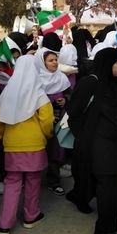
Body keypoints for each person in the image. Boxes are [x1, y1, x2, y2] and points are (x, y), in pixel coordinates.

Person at [66, 47, 117, 234]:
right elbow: (73, 113)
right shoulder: (89, 83)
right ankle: (106, 229)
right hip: (97, 144)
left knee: (107, 183)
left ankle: (80, 198)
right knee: (107, 184)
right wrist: (85, 137)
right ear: (106, 64)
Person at [0, 55, 54, 234]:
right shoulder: (39, 92)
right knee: (33, 181)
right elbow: (47, 121)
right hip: (35, 145)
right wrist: (47, 135)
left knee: (12, 182)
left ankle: (4, 224)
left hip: (12, 145)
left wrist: (5, 135)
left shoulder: (7, 92)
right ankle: (31, 216)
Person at [37, 48, 71, 196]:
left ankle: (53, 181)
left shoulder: (62, 77)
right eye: (50, 60)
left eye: (56, 60)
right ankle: (32, 181)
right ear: (42, 63)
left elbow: (70, 94)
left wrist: (66, 100)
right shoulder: (36, 79)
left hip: (59, 120)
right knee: (37, 151)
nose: (55, 63)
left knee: (56, 151)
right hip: (39, 121)